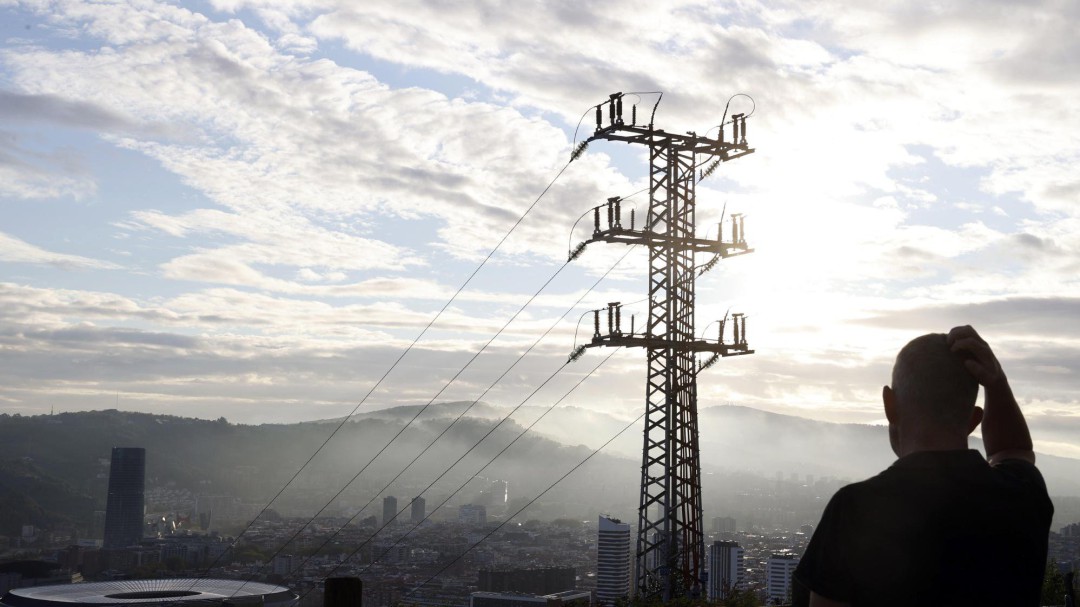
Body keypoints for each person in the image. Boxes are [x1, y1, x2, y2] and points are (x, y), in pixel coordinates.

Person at [793, 326, 1054, 606]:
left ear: (889, 405)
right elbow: (1013, 449)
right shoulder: (1023, 496)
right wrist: (997, 382)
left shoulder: (856, 510)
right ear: (973, 421)